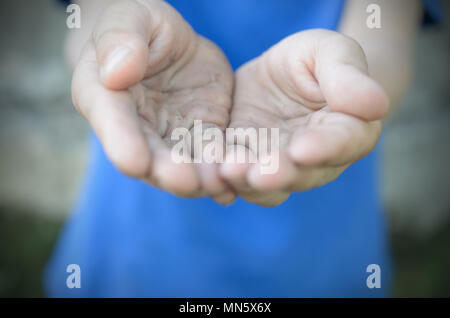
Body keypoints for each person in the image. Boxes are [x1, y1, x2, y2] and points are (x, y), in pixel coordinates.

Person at [46, 0, 431, 297]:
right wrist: (113, 46)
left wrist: (349, 76)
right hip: (137, 233)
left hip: (320, 237)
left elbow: (384, 31)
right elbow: (94, 17)